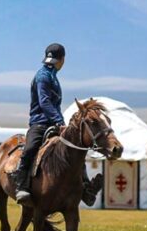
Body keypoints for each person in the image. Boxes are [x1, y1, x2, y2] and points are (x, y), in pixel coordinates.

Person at [13, 43, 102, 206]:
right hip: (39, 124)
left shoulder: (53, 76)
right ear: (62, 60)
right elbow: (45, 102)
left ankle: (86, 188)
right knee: (30, 149)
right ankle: (21, 186)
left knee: (75, 149)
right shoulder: (43, 76)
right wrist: (59, 121)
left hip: (54, 123)